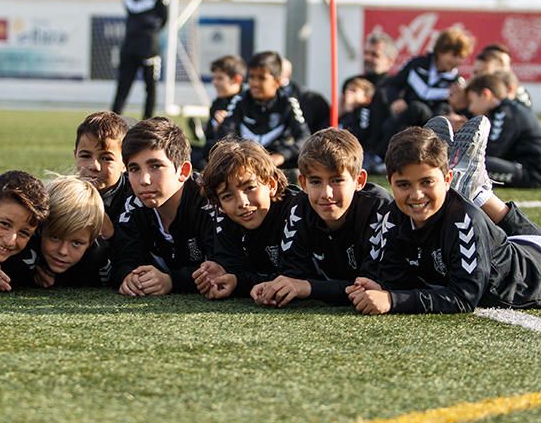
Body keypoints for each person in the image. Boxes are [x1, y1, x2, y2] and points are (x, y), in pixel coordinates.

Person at [347, 122, 541, 314]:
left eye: (427, 182)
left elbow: (463, 297)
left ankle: (477, 193)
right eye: (403, 184)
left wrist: (392, 299)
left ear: (446, 179)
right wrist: (382, 288)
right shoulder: (393, 217)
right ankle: (476, 192)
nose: (416, 194)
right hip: (521, 248)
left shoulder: (463, 220)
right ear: (389, 183)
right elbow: (396, 275)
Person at [253, 128, 392, 307]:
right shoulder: (299, 207)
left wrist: (307, 288)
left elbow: (369, 287)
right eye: (316, 182)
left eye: (337, 180)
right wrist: (274, 287)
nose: (326, 193)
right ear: (303, 183)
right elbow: (292, 275)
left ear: (359, 180)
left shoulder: (377, 207)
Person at [111, 117, 217, 296]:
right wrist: (129, 277)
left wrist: (172, 281)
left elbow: (224, 265)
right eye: (134, 169)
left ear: (183, 171)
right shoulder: (133, 205)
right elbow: (123, 259)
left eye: (155, 166)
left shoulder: (209, 201)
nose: (144, 180)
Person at [195, 138, 301, 300]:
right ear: (220, 204)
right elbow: (233, 268)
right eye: (227, 196)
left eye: (250, 187)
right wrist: (225, 275)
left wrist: (241, 281)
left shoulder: (296, 209)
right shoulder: (225, 218)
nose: (242, 202)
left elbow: (294, 276)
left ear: (271, 184)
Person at [367, 27, 473, 171]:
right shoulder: (417, 65)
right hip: (403, 117)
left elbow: (458, 109)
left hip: (430, 122)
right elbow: (391, 85)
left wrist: (456, 106)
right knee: (383, 99)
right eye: (454, 55)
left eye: (461, 56)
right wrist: (396, 99)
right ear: (441, 51)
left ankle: (380, 158)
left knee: (418, 109)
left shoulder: (456, 83)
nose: (457, 61)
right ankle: (375, 154)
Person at [2, 175, 108, 288]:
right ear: (40, 229)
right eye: (55, 237)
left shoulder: (99, 257)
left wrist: (60, 281)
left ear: (91, 242)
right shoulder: (22, 240)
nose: (63, 251)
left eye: (76, 243)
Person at [217, 51, 311, 169]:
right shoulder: (240, 100)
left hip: (277, 166)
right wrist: (240, 155)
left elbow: (304, 137)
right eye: (251, 77)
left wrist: (281, 155)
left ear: (277, 82)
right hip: (244, 163)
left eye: (262, 78)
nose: (254, 83)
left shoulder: (288, 103)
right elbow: (226, 132)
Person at [464, 73, 541, 188]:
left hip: (532, 172)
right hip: (532, 169)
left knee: (472, 165)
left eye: (471, 101)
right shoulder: (507, 109)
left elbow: (494, 150)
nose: (470, 108)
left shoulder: (505, 113)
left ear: (485, 95)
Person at [111, 0, 168, 120]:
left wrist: (150, 32)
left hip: (149, 45)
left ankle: (147, 125)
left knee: (150, 87)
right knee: (123, 86)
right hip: (130, 44)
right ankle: (111, 124)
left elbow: (164, 15)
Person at [74, 110, 131, 239]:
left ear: (125, 163)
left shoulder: (135, 201)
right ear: (75, 155)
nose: (94, 166)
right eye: (85, 156)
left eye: (106, 158)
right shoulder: (65, 194)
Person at [190, 55, 246, 169]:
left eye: (220, 78)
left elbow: (242, 142)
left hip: (234, 159)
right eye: (214, 78)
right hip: (210, 152)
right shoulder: (218, 103)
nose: (214, 82)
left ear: (237, 79)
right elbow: (210, 140)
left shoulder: (246, 103)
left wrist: (225, 127)